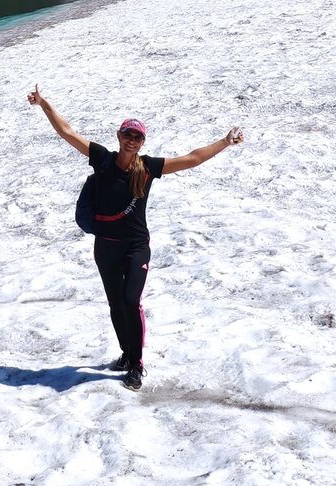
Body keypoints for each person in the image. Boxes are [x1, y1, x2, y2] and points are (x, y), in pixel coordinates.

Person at [27, 85, 243, 391]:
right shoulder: (102, 160)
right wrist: (44, 103)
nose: (132, 140)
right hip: (105, 247)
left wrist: (225, 141)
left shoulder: (148, 167)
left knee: (131, 301)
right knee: (116, 305)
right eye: (128, 134)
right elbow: (67, 132)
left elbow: (192, 159)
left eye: (137, 137)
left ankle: (137, 364)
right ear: (119, 136)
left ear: (142, 142)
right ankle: (127, 355)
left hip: (136, 247)